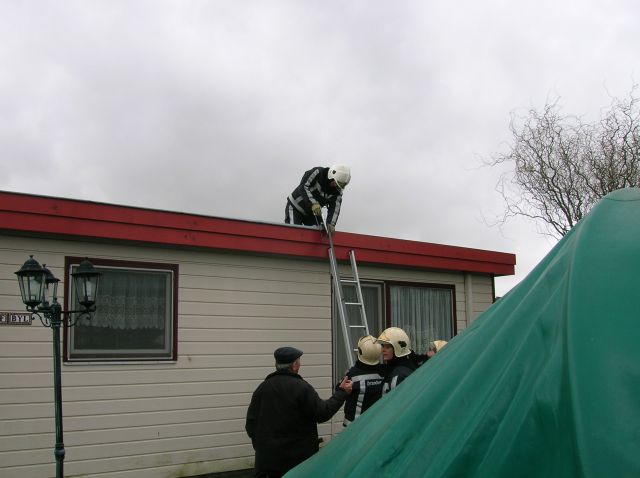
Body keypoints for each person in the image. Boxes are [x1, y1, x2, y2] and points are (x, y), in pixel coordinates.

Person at [245, 346, 353, 478]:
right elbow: (323, 413)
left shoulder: (262, 389)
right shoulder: (302, 388)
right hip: (297, 465)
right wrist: (342, 393)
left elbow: (250, 425)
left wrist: (263, 448)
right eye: (299, 362)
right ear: (294, 366)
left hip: (267, 466)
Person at [285, 165, 351, 233]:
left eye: (339, 185)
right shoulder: (318, 172)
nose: (336, 186)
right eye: (335, 182)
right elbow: (303, 186)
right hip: (295, 207)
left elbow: (335, 208)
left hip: (313, 212)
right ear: (331, 176)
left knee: (320, 233)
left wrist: (331, 223)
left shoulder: (337, 192)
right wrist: (313, 203)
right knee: (293, 233)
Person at [341, 335, 385, 426]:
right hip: (375, 423)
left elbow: (339, 390)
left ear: (360, 352)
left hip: (354, 425)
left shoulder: (352, 374)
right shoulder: (384, 372)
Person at [377, 327, 418, 394]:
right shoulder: (392, 369)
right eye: (383, 346)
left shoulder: (401, 374)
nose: (383, 350)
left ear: (398, 349)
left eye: (387, 347)